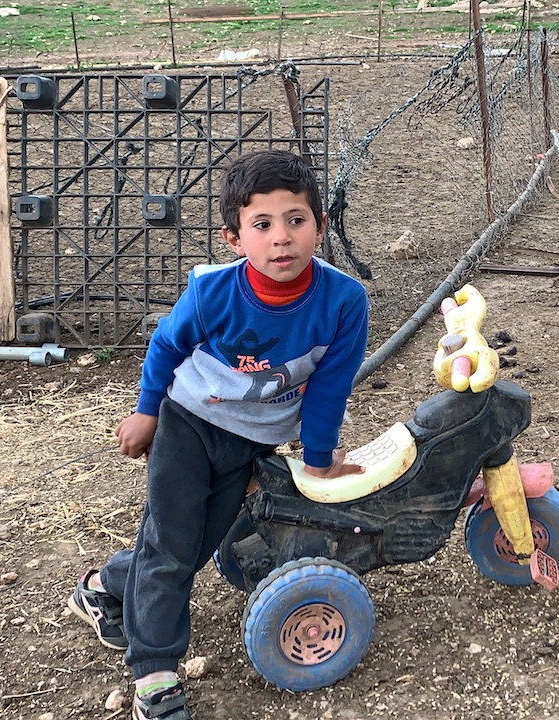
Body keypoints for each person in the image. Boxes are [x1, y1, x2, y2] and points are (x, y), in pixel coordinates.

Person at [67, 149, 370, 720]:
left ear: (321, 226)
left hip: (253, 439)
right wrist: (146, 412)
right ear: (234, 239)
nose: (281, 238)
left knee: (194, 545)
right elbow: (166, 345)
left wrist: (322, 460)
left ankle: (105, 584)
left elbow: (331, 387)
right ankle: (154, 672)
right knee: (174, 543)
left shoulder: (344, 302)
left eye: (296, 220)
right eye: (262, 225)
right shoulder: (214, 294)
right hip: (188, 423)